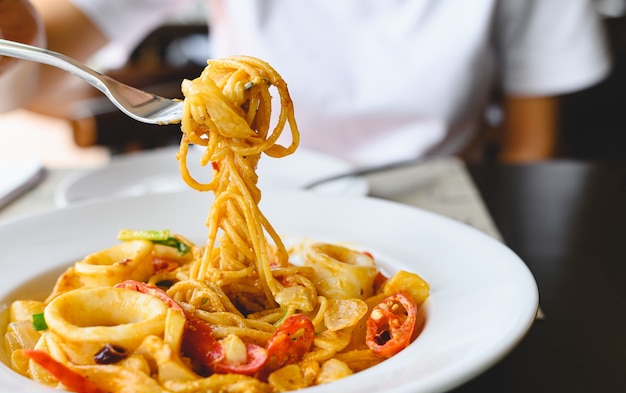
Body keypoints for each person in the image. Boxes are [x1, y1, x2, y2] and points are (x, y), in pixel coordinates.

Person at [15, 0, 614, 166]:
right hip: (262, 184)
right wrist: (17, 30)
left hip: (436, 192)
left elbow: (534, 147)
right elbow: (36, 67)